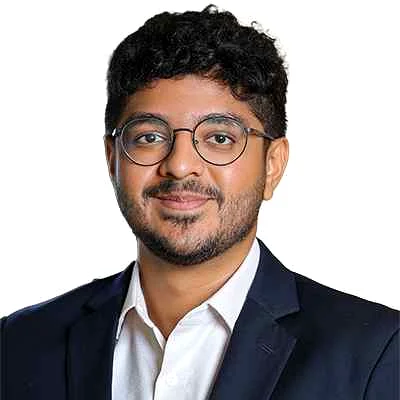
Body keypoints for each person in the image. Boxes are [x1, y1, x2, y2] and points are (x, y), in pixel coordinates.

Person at [1, 5, 398, 400]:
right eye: (149, 137)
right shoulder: (17, 345)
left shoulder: (374, 356)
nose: (179, 165)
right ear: (113, 159)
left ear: (272, 166)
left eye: (220, 138)